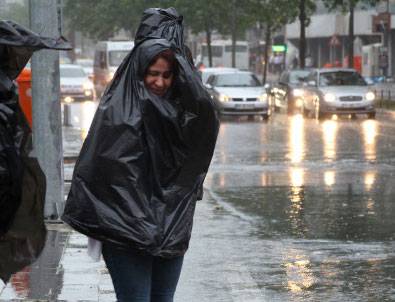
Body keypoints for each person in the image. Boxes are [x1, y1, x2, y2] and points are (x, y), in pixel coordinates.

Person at [62, 8, 219, 302]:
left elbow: (195, 159)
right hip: (126, 234)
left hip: (170, 229)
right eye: (153, 74)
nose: (159, 82)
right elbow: (104, 171)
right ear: (140, 70)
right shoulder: (119, 113)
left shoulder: (184, 114)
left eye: (167, 75)